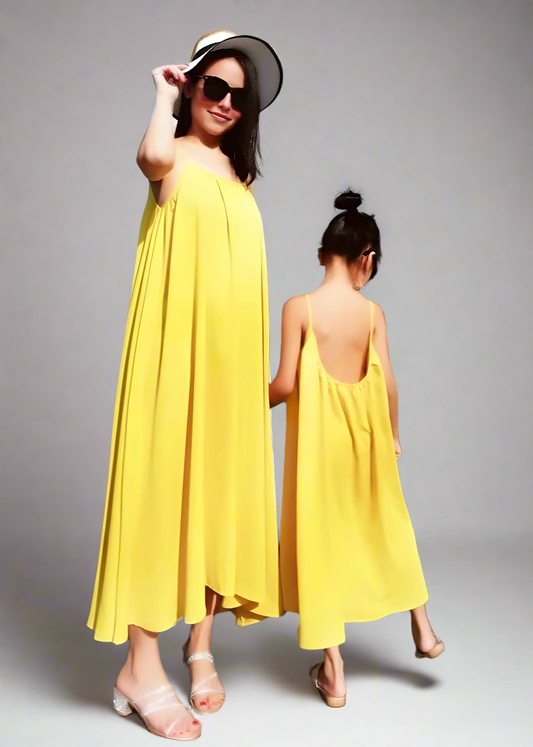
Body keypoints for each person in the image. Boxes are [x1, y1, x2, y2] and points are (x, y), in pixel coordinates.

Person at [87, 30, 283, 740]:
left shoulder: (240, 174)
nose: (228, 102)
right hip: (175, 356)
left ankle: (199, 643)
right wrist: (163, 92)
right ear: (193, 87)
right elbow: (148, 156)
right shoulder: (167, 156)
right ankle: (139, 668)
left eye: (240, 94)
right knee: (160, 497)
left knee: (217, 493)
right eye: (214, 87)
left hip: (228, 364)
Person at [270, 189, 444, 708]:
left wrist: (246, 407)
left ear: (322, 254)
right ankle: (424, 628)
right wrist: (391, 434)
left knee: (321, 545)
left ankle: (334, 670)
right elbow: (388, 382)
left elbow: (283, 385)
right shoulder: (372, 314)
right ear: (366, 259)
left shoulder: (299, 308)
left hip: (320, 454)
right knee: (390, 526)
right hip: (368, 447)